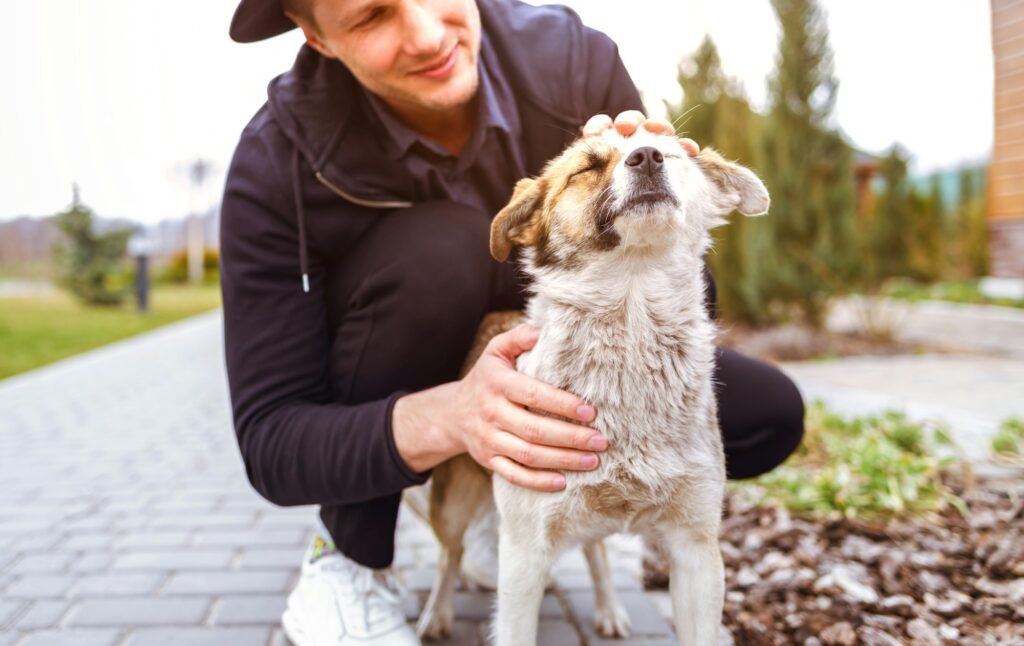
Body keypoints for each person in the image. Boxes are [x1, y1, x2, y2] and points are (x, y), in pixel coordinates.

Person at [221, 0, 805, 644]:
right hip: (393, 353)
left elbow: (691, 290)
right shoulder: (273, 162)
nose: (424, 34)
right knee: (441, 250)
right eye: (371, 17)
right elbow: (271, 441)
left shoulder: (574, 59)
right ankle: (351, 560)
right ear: (316, 37)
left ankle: (503, 515)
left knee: (767, 412)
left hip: (570, 337)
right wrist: (454, 418)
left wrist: (676, 196)